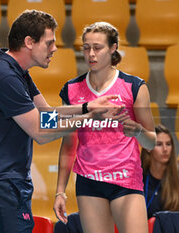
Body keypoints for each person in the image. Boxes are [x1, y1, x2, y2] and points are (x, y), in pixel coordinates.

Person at [0, 10, 122, 233]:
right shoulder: (4, 76)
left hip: (10, 176)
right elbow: (41, 131)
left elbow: (46, 113)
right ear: (29, 42)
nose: (54, 48)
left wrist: (87, 107)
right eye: (49, 43)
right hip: (0, 179)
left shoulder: (17, 72)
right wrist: (89, 118)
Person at [53, 22, 156, 233]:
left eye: (97, 48)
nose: (90, 54)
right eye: (86, 47)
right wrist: (60, 191)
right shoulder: (72, 90)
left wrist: (136, 131)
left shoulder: (134, 87)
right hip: (89, 182)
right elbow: (68, 145)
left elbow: (152, 142)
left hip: (125, 180)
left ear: (113, 47)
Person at [141, 124, 179, 219]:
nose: (165, 149)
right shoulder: (138, 175)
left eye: (168, 144)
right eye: (159, 144)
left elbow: (178, 220)